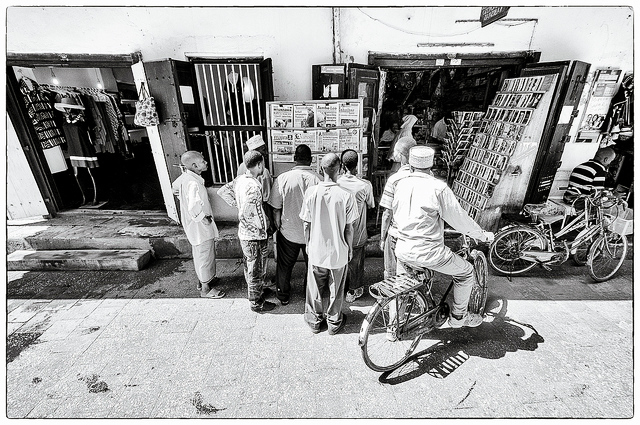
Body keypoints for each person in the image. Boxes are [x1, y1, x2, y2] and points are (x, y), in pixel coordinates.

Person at [391, 146, 494, 328]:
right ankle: (458, 318)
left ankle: (393, 327)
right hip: (429, 253)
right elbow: (459, 220)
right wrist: (481, 235)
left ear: (411, 166)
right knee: (466, 272)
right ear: (431, 166)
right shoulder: (438, 188)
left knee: (400, 288)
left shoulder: (400, 184)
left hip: (403, 248)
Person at [299, 153, 358, 334]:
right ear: (340, 170)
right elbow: (349, 228)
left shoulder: (311, 192)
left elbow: (306, 224)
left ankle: (314, 320)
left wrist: (308, 244)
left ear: (321, 169)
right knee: (337, 289)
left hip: (316, 249)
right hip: (338, 251)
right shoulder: (347, 196)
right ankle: (334, 321)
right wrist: (349, 248)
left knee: (314, 288)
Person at [267, 144, 321, 305]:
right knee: (312, 266)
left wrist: (278, 224)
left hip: (288, 231)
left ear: (294, 159)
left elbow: (275, 208)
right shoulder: (318, 179)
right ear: (311, 160)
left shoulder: (283, 178)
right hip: (312, 234)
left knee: (284, 265)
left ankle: (283, 295)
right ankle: (308, 295)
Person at [171, 151, 226, 299]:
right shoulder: (192, 183)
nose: (206, 162)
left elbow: (174, 188)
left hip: (194, 225)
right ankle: (205, 289)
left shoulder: (186, 177)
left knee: (203, 253)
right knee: (204, 255)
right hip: (199, 226)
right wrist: (203, 218)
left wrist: (183, 199)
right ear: (195, 165)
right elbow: (193, 207)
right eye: (203, 161)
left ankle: (205, 280)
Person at [235, 150, 276, 313]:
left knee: (251, 267)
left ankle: (258, 292)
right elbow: (247, 213)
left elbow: (227, 193)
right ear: (259, 164)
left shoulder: (241, 180)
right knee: (256, 270)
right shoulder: (252, 186)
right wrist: (262, 226)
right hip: (254, 236)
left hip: (246, 234)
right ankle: (256, 302)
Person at [337, 149, 375, 303]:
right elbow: (371, 205)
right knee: (356, 264)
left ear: (342, 165)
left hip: (339, 231)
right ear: (357, 165)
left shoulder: (336, 183)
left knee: (339, 262)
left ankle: (338, 289)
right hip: (357, 232)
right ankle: (353, 290)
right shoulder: (364, 185)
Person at [378, 136, 417, 279]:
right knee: (412, 277)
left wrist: (382, 238)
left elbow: (387, 213)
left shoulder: (394, 179)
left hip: (396, 234)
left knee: (391, 274)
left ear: (401, 156)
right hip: (416, 234)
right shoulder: (427, 177)